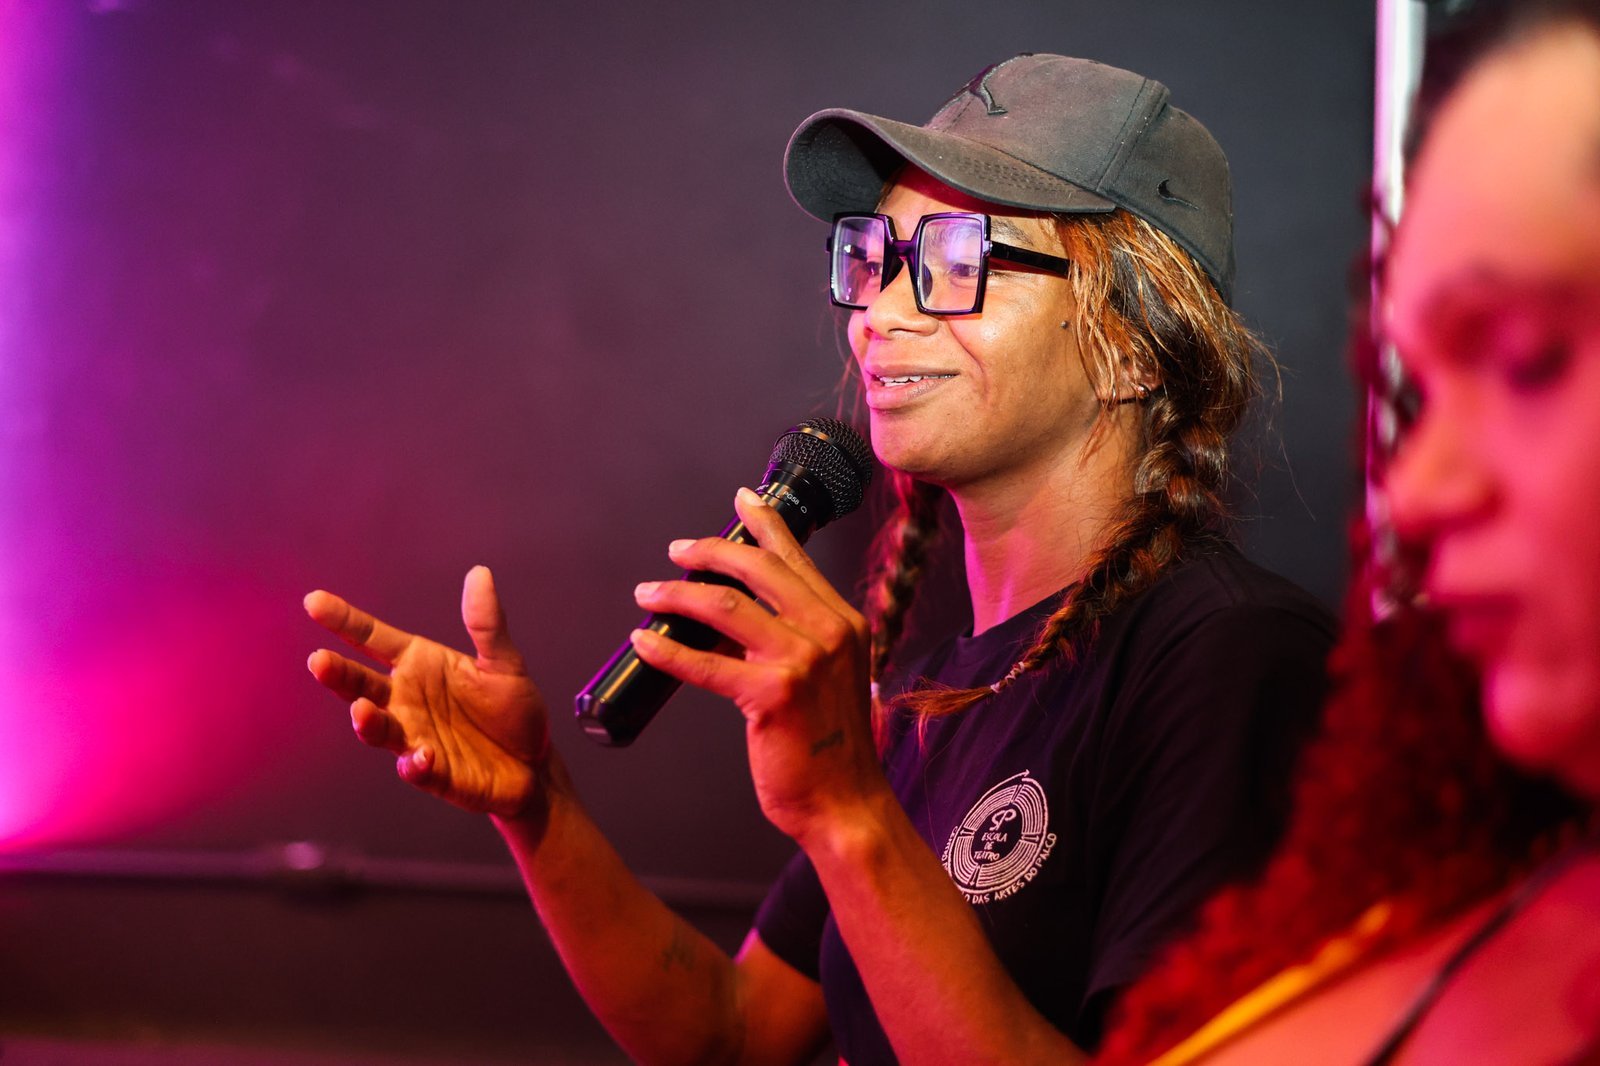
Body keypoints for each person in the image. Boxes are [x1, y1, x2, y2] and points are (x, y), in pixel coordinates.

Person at [306, 53, 1334, 1064]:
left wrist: (848, 815)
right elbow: (732, 1029)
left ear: (1134, 342)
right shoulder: (936, 691)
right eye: (872, 259)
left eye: (955, 258)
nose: (877, 314)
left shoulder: (1233, 662)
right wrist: (538, 807)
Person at [1093, 3, 1600, 1063]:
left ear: (1140, 342)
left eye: (1525, 359)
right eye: (1414, 393)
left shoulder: (1221, 644)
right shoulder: (1441, 876)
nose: (1410, 497)